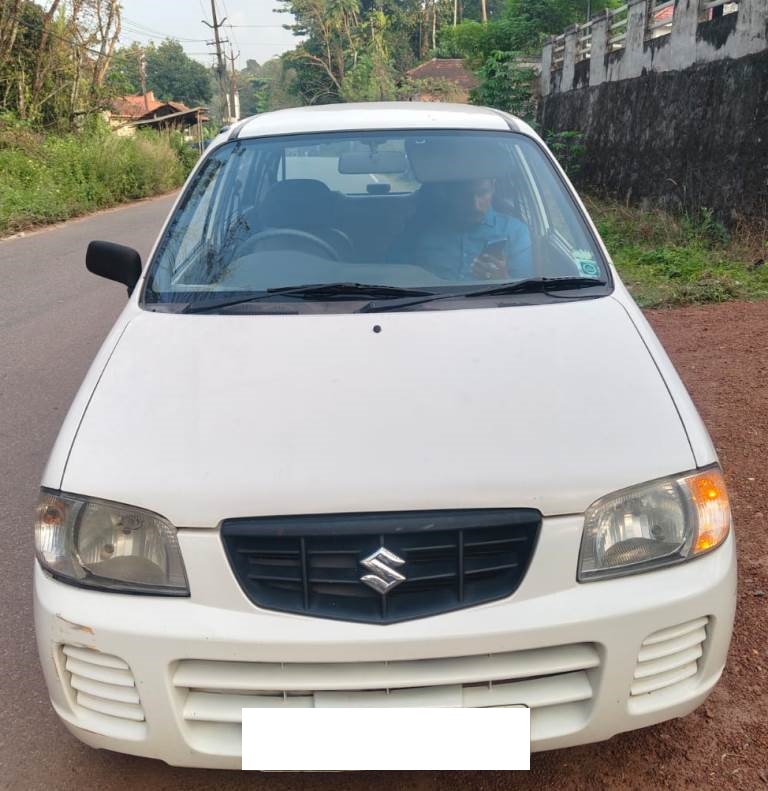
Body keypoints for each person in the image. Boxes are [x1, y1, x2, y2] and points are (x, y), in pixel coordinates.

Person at [391, 178, 533, 282]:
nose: (475, 206)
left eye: (483, 193)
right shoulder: (420, 228)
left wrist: (502, 278)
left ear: (493, 186)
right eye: (465, 196)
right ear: (449, 193)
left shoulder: (515, 231)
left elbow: (526, 292)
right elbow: (393, 274)